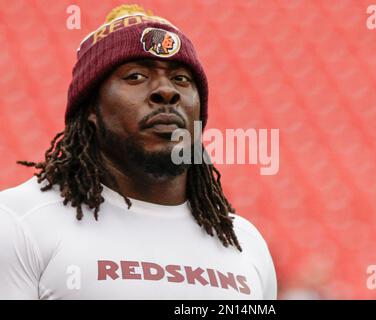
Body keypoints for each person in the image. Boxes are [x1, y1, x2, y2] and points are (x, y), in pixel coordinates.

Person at [0, 4, 277, 300]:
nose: (166, 91)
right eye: (135, 76)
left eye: (181, 79)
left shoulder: (245, 244)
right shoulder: (19, 223)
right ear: (91, 108)